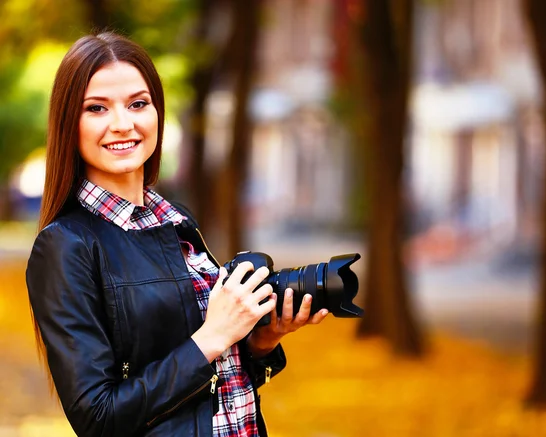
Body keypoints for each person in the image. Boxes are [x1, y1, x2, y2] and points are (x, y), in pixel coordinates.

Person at [26, 31, 329, 437]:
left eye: (138, 104)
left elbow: (217, 387)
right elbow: (97, 418)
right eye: (96, 108)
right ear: (69, 123)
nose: (123, 124)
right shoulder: (66, 245)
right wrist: (213, 336)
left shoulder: (176, 221)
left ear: (157, 112)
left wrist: (260, 341)